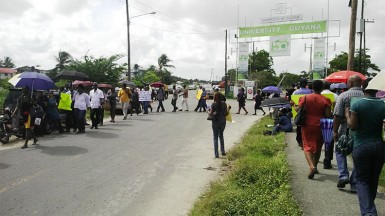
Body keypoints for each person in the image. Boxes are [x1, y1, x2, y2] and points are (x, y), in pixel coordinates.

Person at [346, 78, 385, 216]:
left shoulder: (357, 104)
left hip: (361, 145)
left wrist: (347, 115)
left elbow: (353, 126)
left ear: (363, 87)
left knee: (362, 180)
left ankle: (369, 212)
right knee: (373, 179)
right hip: (379, 146)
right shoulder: (383, 104)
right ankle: (369, 206)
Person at [293, 80, 331, 179]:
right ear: (322, 88)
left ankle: (311, 166)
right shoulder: (326, 100)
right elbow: (328, 115)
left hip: (307, 124)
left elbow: (297, 109)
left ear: (311, 88)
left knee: (307, 146)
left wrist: (293, 104)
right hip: (321, 125)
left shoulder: (305, 98)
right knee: (318, 147)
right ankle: (316, 166)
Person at [333, 75, 364, 191]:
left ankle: (343, 175)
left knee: (340, 151)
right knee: (358, 156)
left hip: (345, 130)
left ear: (350, 84)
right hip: (361, 132)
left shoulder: (343, 96)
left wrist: (335, 131)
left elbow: (337, 115)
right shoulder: (365, 96)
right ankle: (354, 184)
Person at [321, 81, 340, 169]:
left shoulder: (319, 94)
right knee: (329, 140)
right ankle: (327, 160)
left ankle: (314, 161)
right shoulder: (335, 96)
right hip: (330, 119)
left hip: (318, 119)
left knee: (318, 140)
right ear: (330, 87)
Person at [292, 78, 312, 149]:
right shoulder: (311, 92)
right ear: (306, 84)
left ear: (299, 84)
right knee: (307, 129)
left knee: (299, 128)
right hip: (309, 113)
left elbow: (292, 101)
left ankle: (301, 142)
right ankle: (306, 143)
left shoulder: (295, 92)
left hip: (299, 114)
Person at [209, 92, 228, 158]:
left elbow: (211, 114)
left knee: (215, 137)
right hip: (223, 122)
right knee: (221, 136)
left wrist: (208, 111)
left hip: (215, 122)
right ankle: (222, 151)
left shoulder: (213, 104)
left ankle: (216, 154)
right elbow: (226, 114)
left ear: (215, 97)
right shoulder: (224, 104)